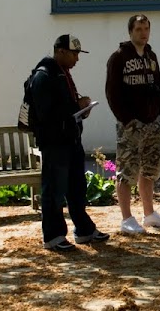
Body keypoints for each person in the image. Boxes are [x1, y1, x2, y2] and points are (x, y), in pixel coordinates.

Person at [30, 34, 111, 251]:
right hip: (55, 143)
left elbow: (65, 107)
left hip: (70, 140)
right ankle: (53, 236)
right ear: (60, 52)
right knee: (54, 190)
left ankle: (83, 230)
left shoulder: (62, 73)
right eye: (74, 53)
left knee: (77, 188)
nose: (77, 58)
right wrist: (76, 107)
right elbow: (46, 114)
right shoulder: (44, 76)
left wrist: (80, 107)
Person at [105, 14, 160, 234]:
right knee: (126, 169)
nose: (143, 33)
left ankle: (149, 213)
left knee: (150, 168)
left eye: (146, 29)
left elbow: (159, 86)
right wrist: (127, 120)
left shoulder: (151, 56)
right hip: (130, 125)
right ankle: (126, 218)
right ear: (130, 32)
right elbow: (112, 93)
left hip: (153, 122)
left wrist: (159, 115)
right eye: (139, 29)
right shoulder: (119, 58)